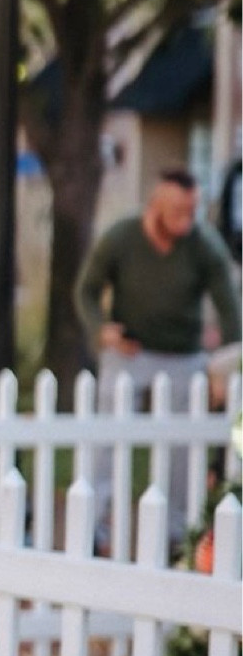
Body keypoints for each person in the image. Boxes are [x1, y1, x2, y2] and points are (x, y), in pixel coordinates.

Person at [75, 167, 241, 547]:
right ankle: (94, 525)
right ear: (156, 207)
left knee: (184, 447)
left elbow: (230, 309)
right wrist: (101, 329)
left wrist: (231, 364)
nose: (188, 219)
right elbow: (86, 290)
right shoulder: (121, 238)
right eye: (179, 211)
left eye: (192, 209)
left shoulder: (203, 245)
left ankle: (177, 532)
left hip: (184, 356)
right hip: (130, 352)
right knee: (106, 437)